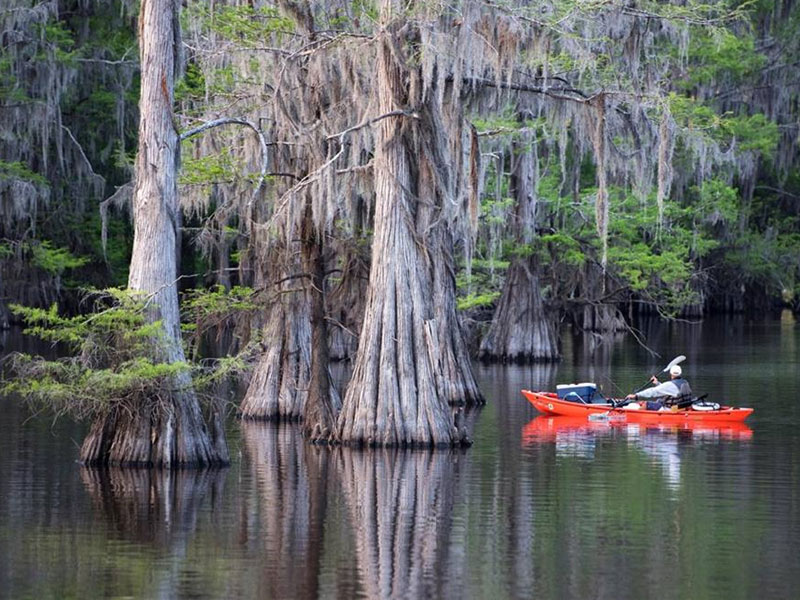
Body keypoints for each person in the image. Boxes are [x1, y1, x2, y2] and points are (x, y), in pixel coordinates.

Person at [625, 364, 692, 409]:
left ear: (670, 373)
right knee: (658, 401)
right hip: (681, 408)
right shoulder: (685, 382)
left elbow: (653, 391)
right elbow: (668, 389)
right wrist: (657, 383)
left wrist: (636, 395)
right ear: (680, 373)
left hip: (670, 410)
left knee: (645, 404)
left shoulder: (670, 384)